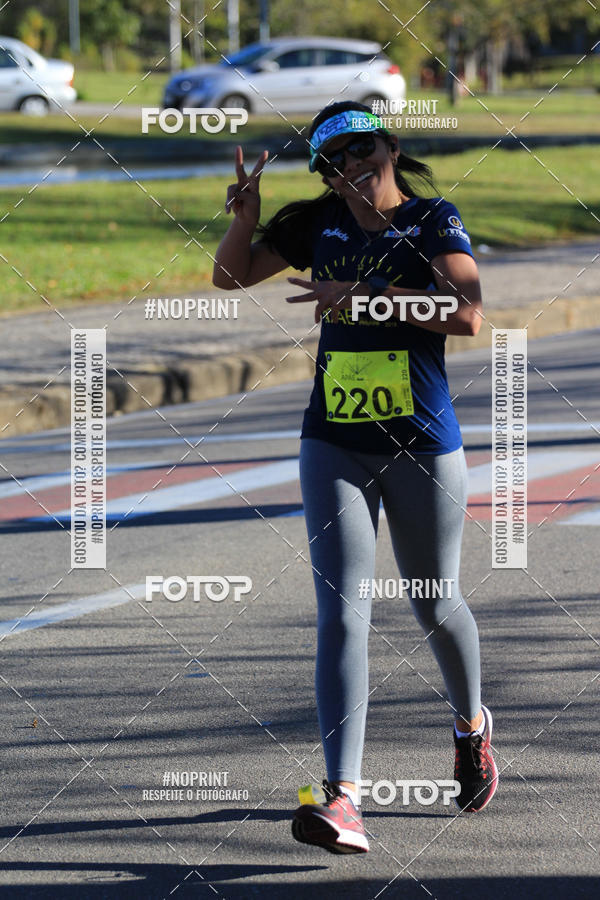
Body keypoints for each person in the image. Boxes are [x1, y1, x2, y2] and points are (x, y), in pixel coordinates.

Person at [213, 101, 498, 855]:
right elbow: (228, 276)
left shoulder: (434, 220)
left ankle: (472, 726)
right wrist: (246, 216)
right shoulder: (317, 224)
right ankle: (343, 799)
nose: (349, 171)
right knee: (342, 613)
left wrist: (367, 298)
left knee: (434, 603)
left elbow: (468, 316)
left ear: (389, 148)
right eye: (333, 163)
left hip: (421, 444)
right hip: (333, 440)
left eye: (359, 153)